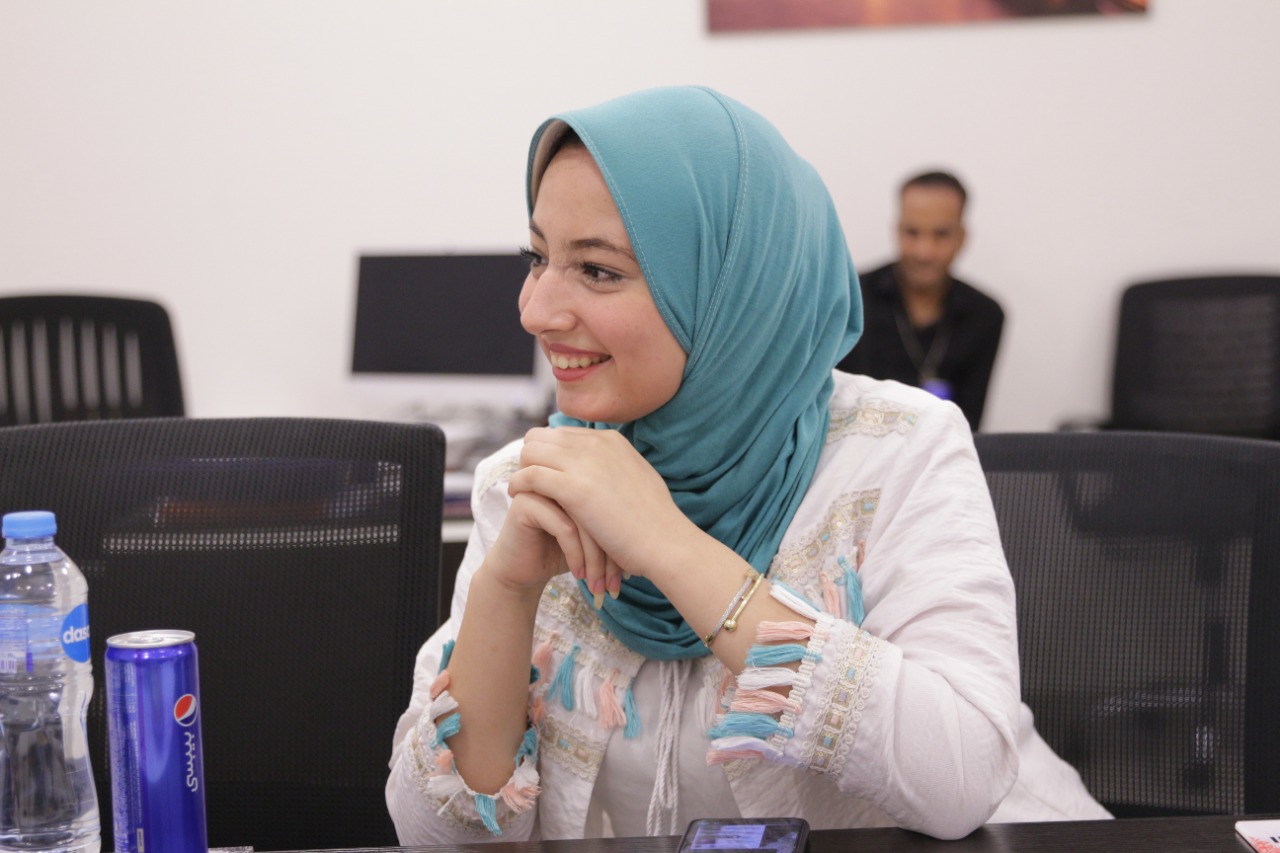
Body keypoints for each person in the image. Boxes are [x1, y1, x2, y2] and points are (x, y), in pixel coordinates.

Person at [386, 86, 1108, 845]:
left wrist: (668, 544)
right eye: (538, 257)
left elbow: (961, 781)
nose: (535, 310)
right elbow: (435, 841)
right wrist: (505, 590)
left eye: (597, 270)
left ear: (732, 285)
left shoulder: (897, 448)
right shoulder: (533, 480)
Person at [836, 171, 1004, 431]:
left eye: (941, 234)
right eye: (912, 232)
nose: (924, 251)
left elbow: (969, 426)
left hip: (944, 452)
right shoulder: (851, 297)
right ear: (897, 230)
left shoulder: (985, 315)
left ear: (962, 237)